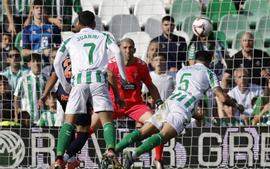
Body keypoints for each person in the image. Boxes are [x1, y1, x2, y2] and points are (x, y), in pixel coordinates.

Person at [116, 50, 244, 169]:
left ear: (195, 60)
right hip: (182, 108)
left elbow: (185, 92)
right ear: (209, 62)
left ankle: (112, 151)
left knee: (143, 131)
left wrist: (196, 115)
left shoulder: (183, 70)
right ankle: (134, 153)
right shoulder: (209, 73)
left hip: (169, 103)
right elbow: (222, 98)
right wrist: (236, 105)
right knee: (163, 135)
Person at [52, 10, 127, 169]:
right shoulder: (104, 36)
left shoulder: (70, 40)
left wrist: (65, 84)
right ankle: (111, 151)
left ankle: (59, 159)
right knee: (106, 119)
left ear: (78, 24)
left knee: (68, 122)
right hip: (98, 80)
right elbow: (118, 52)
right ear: (94, 24)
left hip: (78, 82)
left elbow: (57, 63)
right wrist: (123, 76)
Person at [90, 38, 165, 168]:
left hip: (134, 105)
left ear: (135, 50)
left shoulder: (141, 65)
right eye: (124, 48)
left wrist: (158, 101)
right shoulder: (111, 65)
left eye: (130, 48)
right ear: (119, 50)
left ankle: (158, 160)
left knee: (158, 124)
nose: (127, 50)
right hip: (113, 104)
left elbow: (150, 85)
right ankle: (69, 157)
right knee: (88, 127)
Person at [14, 53, 47, 125]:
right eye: (33, 61)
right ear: (29, 64)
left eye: (38, 60)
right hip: (27, 119)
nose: (36, 63)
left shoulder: (46, 79)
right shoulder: (23, 79)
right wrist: (16, 116)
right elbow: (16, 98)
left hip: (44, 118)